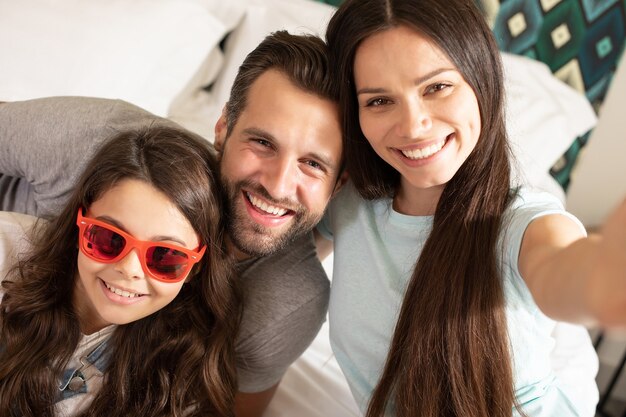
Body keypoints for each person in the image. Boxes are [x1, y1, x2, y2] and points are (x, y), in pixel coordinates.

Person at [0, 31, 345, 417]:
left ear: (340, 182)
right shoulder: (100, 141)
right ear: (223, 126)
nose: (278, 184)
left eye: (313, 163)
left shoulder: (286, 303)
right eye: (263, 142)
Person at [317, 0, 625, 416]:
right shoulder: (349, 205)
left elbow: (563, 269)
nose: (412, 125)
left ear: (481, 80)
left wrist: (601, 282)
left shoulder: (523, 225)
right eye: (378, 101)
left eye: (436, 87)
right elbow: (274, 271)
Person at [0, 126, 239, 416]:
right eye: (109, 238)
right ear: (80, 222)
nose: (128, 269)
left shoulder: (183, 387)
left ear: (196, 268)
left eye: (165, 256)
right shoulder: (6, 248)